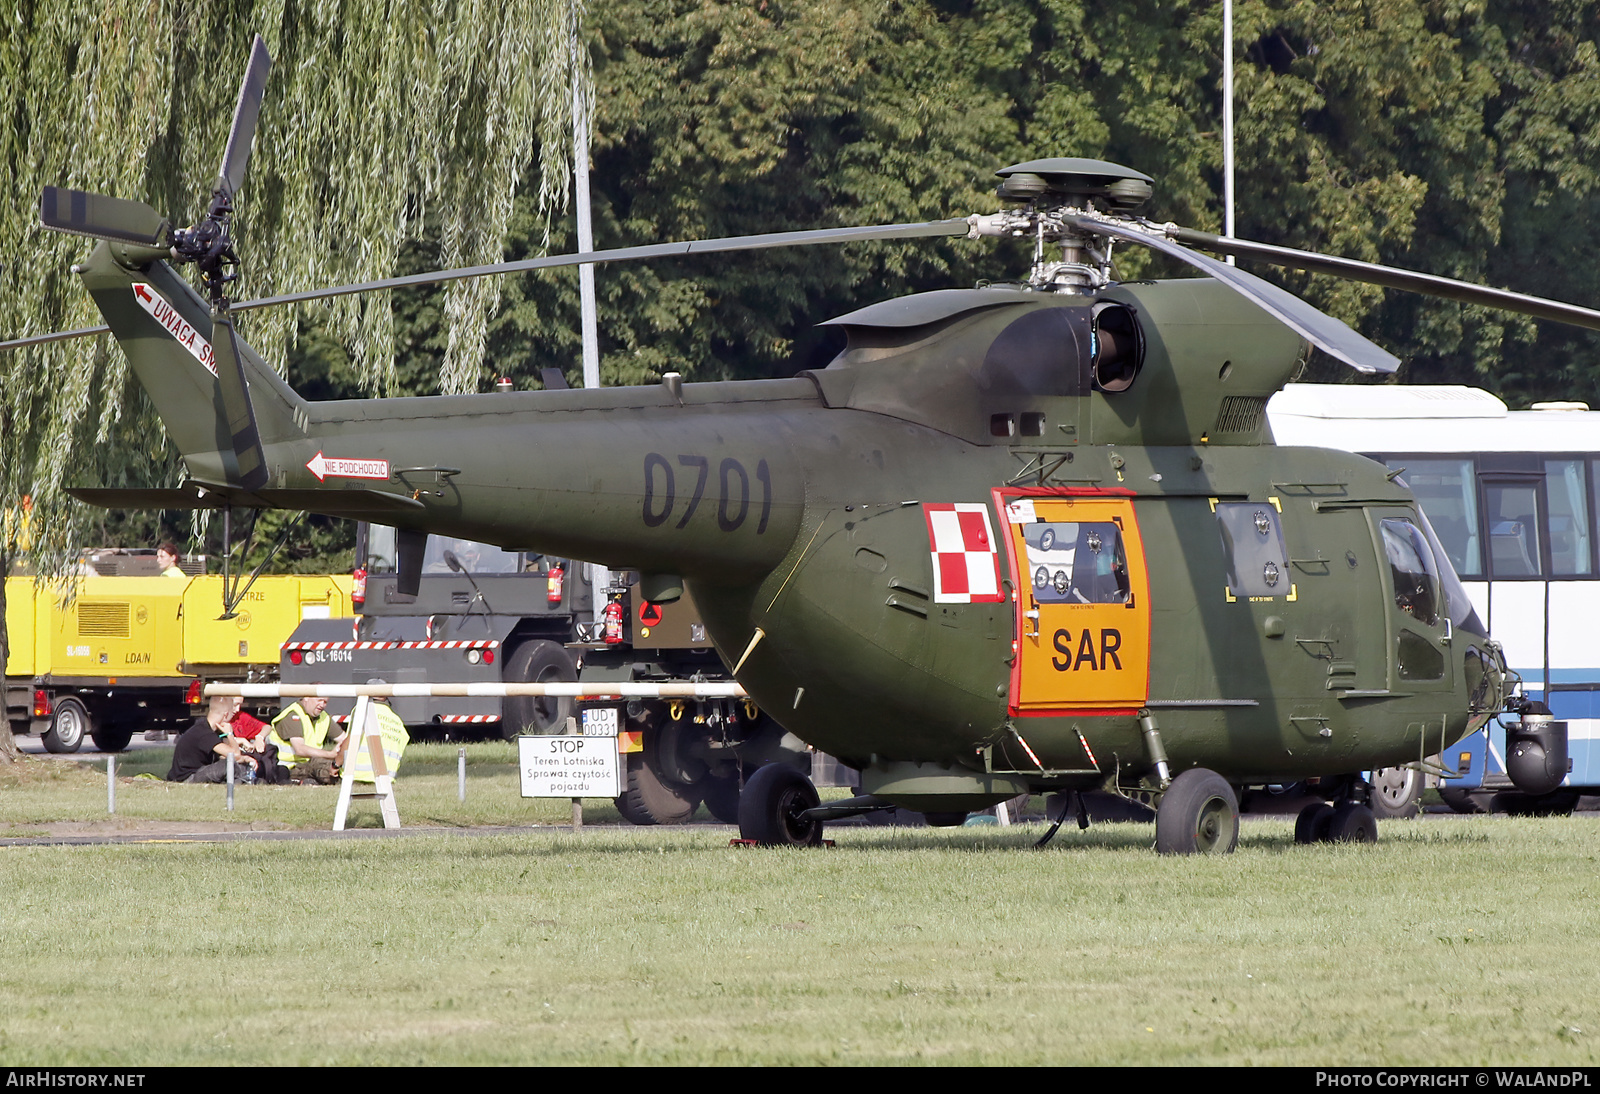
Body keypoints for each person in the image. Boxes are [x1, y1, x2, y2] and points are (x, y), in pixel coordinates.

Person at [166, 695, 260, 783]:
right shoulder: (204, 733)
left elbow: (224, 751)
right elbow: (234, 755)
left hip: (198, 772)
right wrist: (229, 733)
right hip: (187, 778)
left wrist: (246, 757)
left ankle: (250, 780)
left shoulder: (207, 728)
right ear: (226, 715)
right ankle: (247, 779)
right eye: (232, 713)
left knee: (231, 765)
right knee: (227, 765)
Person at [267, 694, 345, 784]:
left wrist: (341, 752)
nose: (322, 705)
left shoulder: (324, 717)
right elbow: (300, 750)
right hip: (288, 766)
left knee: (338, 764)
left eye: (325, 702)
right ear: (306, 697)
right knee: (328, 768)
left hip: (311, 761)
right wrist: (331, 754)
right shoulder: (293, 715)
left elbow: (345, 739)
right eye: (319, 700)